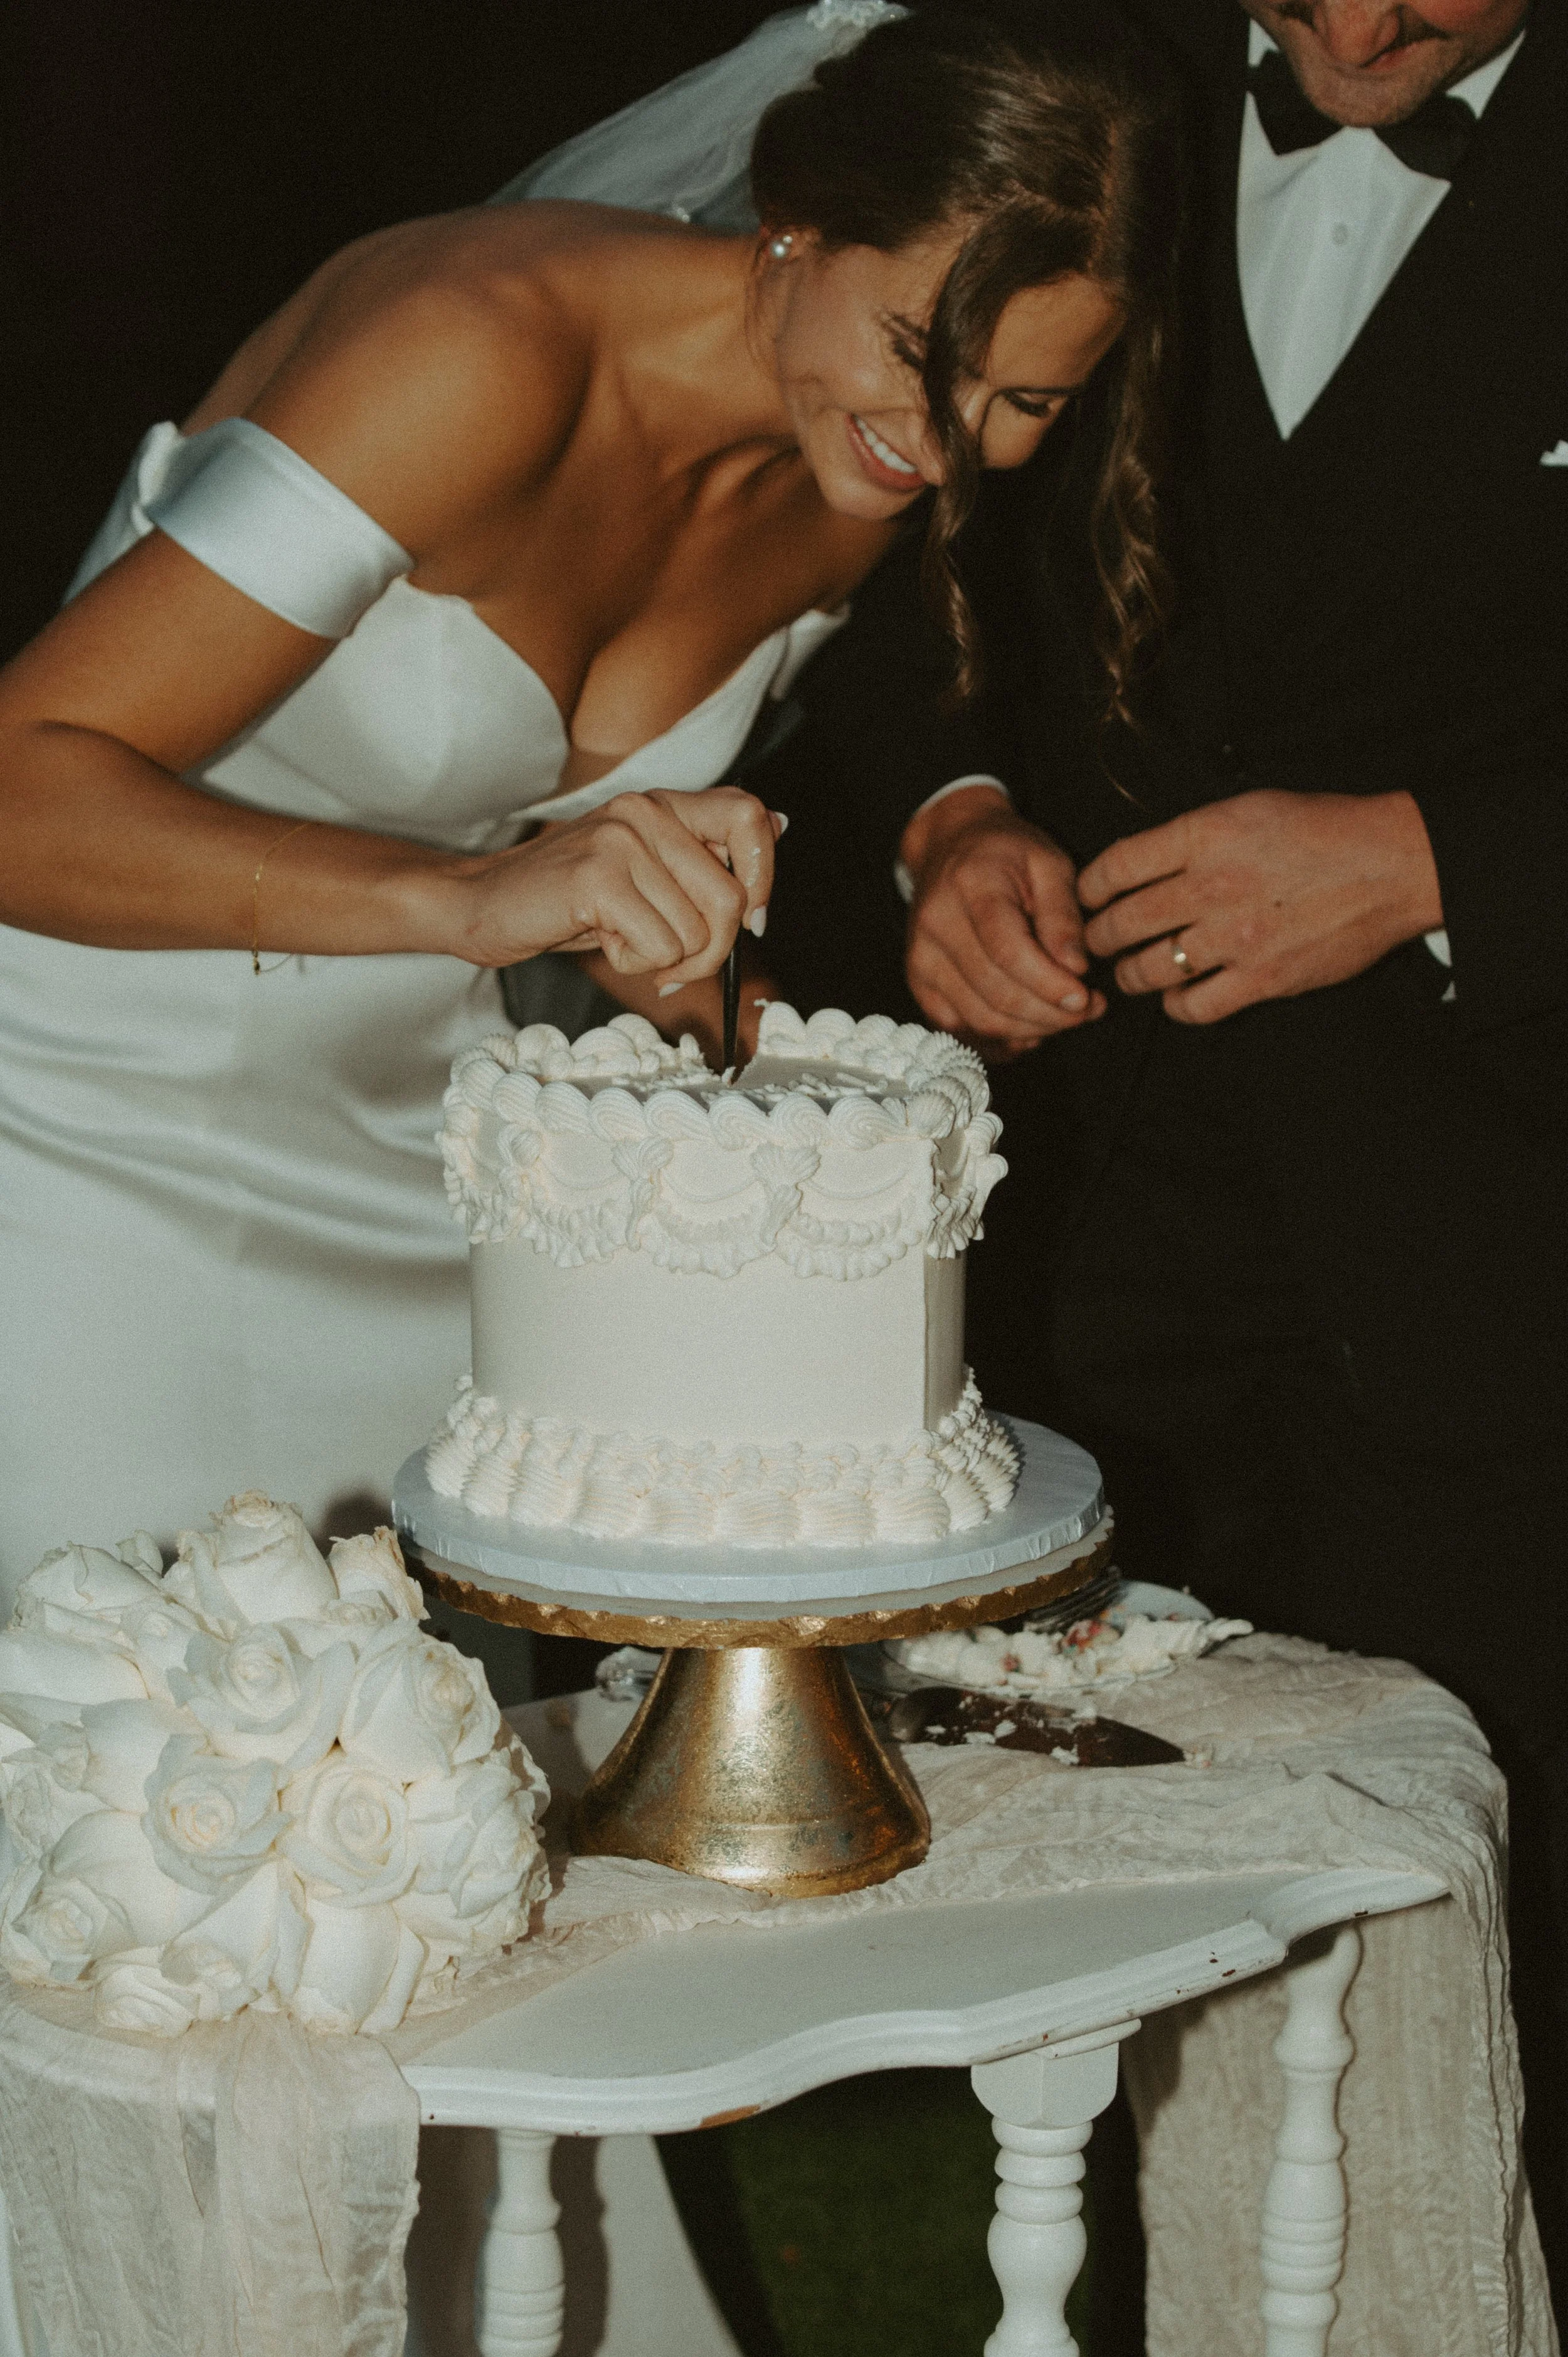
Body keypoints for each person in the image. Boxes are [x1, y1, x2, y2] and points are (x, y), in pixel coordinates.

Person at [0, 1, 1179, 1623]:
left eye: (1026, 402)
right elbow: (21, 790)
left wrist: (704, 986)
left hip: (413, 1190)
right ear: (801, 219)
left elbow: (574, 883)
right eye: (922, 352)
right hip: (73, 1147)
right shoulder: (477, 345)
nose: (949, 442)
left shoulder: (851, 466)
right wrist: (477, 899)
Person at [896, 0, 1566, 2301]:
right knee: (1120, 1942)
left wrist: (1438, 859)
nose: (1360, 24)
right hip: (1116, 1254)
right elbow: (878, 537)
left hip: (1505, 1251)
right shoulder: (1080, 100)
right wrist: (947, 816)